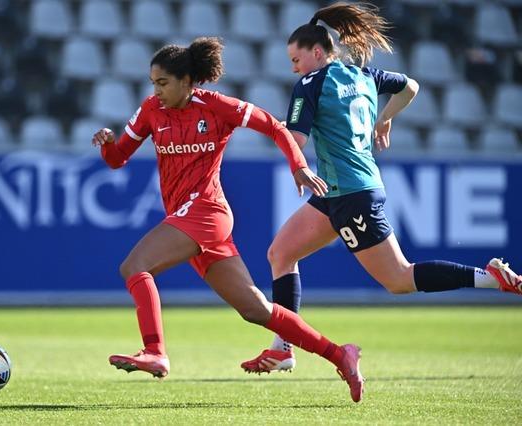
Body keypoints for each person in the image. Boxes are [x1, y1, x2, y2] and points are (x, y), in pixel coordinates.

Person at [241, 2, 522, 374]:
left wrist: (265, 125)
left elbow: (294, 137)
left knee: (400, 279)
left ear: (318, 52)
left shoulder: (311, 83)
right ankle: (282, 347)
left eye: (296, 58)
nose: (294, 67)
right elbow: (410, 86)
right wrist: (383, 119)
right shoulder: (363, 75)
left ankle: (490, 278)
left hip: (350, 193)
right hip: (339, 189)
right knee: (280, 253)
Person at [92, 37, 365, 402]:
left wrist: (299, 167)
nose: (155, 91)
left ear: (187, 81)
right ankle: (340, 354)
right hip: (189, 218)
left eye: (163, 83)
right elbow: (118, 158)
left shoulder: (216, 107)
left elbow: (274, 126)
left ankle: (155, 350)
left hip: (207, 211)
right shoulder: (150, 112)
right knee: (256, 309)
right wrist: (108, 143)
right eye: (153, 83)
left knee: (135, 266)